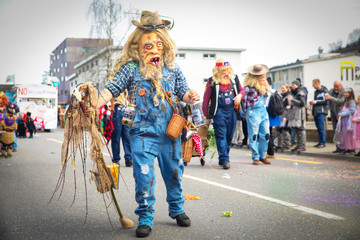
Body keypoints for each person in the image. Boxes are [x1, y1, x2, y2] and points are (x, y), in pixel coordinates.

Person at [96, 11, 200, 238]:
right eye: (148, 46)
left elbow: (183, 92)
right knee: (143, 175)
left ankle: (177, 208)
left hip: (169, 132)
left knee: (174, 172)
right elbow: (112, 88)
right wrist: (95, 102)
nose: (154, 49)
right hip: (141, 133)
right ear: (137, 46)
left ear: (166, 45)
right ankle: (145, 216)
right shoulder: (131, 68)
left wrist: (190, 97)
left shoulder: (172, 68)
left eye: (159, 44)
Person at [202, 58, 244, 169]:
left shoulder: (234, 79)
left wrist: (239, 96)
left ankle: (223, 158)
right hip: (218, 112)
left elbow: (242, 90)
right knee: (221, 136)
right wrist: (205, 114)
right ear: (217, 70)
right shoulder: (212, 80)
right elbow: (206, 98)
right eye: (222, 70)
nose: (225, 72)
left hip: (232, 111)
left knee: (229, 137)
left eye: (227, 69)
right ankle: (225, 159)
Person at [242, 64, 271, 165]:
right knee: (253, 135)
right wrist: (245, 113)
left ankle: (263, 155)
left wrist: (266, 88)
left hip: (263, 111)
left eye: (263, 76)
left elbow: (268, 96)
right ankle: (255, 156)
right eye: (261, 76)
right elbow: (244, 100)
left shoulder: (264, 86)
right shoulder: (248, 88)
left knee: (266, 135)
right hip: (253, 112)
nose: (263, 78)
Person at [110, 92, 133, 167]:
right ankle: (116, 158)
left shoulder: (127, 82)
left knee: (127, 136)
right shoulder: (113, 81)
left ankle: (129, 158)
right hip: (117, 108)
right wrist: (112, 109)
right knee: (116, 136)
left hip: (127, 108)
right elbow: (111, 96)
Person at [288, 79, 307, 154]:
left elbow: (302, 103)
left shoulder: (300, 92)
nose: (292, 86)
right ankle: (298, 145)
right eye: (292, 85)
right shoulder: (294, 92)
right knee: (296, 130)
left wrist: (293, 100)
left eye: (293, 85)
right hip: (295, 113)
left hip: (300, 113)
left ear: (297, 85)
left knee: (301, 130)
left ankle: (302, 146)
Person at [325, 80, 345, 153]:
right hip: (333, 113)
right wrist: (330, 108)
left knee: (341, 131)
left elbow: (341, 101)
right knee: (335, 130)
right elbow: (328, 101)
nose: (335, 88)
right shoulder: (331, 91)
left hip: (340, 114)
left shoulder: (344, 91)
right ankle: (338, 147)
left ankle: (343, 147)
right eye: (334, 86)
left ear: (340, 85)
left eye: (337, 86)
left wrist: (331, 98)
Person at [337, 88, 358, 154]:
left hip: (348, 120)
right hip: (344, 119)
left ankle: (351, 148)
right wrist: (340, 113)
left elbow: (352, 111)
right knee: (345, 134)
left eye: (346, 93)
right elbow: (343, 109)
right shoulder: (345, 101)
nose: (345, 94)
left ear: (350, 94)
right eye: (345, 93)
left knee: (349, 134)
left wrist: (342, 114)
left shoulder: (351, 102)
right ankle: (346, 147)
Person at [309, 78, 328, 148]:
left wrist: (316, 102)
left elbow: (325, 101)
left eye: (313, 84)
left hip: (321, 111)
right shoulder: (316, 92)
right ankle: (320, 142)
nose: (312, 86)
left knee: (321, 127)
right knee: (318, 127)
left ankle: (323, 142)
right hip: (316, 111)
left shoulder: (324, 91)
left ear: (316, 83)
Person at [265, 77, 281, 158]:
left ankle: (270, 152)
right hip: (274, 114)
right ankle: (270, 151)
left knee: (267, 133)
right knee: (270, 132)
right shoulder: (275, 91)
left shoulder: (266, 92)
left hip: (267, 113)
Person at [275, 84, 291, 152]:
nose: (282, 89)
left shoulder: (289, 96)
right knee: (278, 130)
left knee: (285, 130)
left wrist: (287, 116)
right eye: (281, 88)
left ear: (287, 88)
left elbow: (289, 107)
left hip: (285, 115)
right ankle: (279, 144)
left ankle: (287, 144)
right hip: (280, 115)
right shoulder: (281, 96)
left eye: (284, 88)